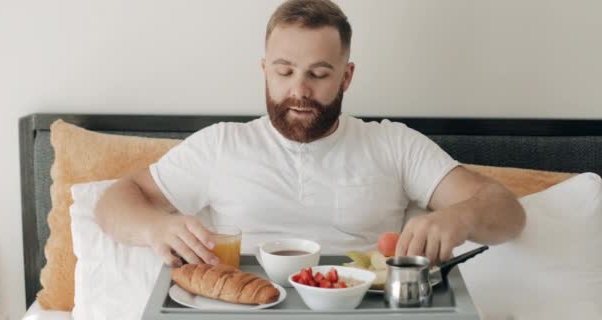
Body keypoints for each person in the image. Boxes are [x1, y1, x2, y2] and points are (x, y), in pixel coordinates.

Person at [95, 0, 525, 268]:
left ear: (346, 76)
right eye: (284, 71)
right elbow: (116, 199)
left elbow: (508, 211)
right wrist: (154, 230)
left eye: (319, 74)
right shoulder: (222, 144)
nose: (299, 90)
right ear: (265, 70)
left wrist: (460, 216)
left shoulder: (393, 144)